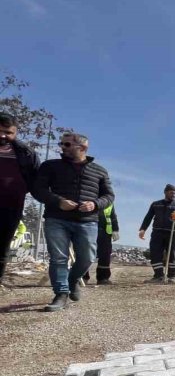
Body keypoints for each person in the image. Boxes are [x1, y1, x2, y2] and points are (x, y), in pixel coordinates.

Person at [32, 132, 114, 311]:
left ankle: (72, 279)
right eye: (62, 144)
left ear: (82, 148)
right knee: (59, 258)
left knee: (87, 257)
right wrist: (58, 201)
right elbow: (38, 190)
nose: (62, 147)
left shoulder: (99, 171)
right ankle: (60, 294)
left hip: (87, 221)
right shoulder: (50, 166)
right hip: (57, 219)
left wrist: (94, 204)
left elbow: (109, 196)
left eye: (67, 144)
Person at [0, 112, 40, 291]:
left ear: (15, 132)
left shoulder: (26, 153)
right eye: (0, 131)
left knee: (2, 246)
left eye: (8, 132)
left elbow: (36, 178)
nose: (3, 136)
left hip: (11, 205)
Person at [139, 184, 175, 283]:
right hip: (157, 232)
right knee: (155, 254)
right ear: (165, 192)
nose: (173, 195)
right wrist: (143, 229)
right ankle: (158, 276)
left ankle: (171, 277)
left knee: (173, 254)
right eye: (171, 193)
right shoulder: (156, 204)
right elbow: (148, 217)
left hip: (173, 233)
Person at [84, 204, 119, 284]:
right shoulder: (88, 195)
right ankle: (82, 276)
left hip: (105, 232)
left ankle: (103, 278)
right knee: (84, 253)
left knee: (105, 254)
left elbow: (113, 216)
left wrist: (115, 229)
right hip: (86, 229)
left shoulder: (109, 202)